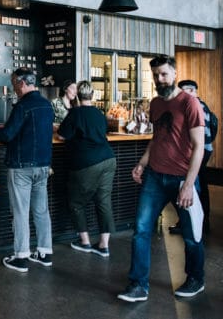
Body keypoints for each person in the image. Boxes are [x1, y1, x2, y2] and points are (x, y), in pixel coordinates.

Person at [117, 54, 205, 302]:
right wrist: (142, 164)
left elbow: (199, 146)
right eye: (156, 75)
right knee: (141, 230)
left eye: (164, 74)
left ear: (175, 73)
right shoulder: (155, 103)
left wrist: (188, 185)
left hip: (181, 179)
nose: (160, 78)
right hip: (155, 176)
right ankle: (138, 285)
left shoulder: (189, 103)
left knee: (191, 234)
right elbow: (158, 139)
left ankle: (196, 278)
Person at [0, 68, 54, 273]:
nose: (13, 88)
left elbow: (8, 135)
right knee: (41, 210)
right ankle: (45, 252)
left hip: (22, 166)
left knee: (20, 212)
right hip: (43, 165)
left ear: (21, 83)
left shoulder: (22, 106)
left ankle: (21, 257)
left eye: (14, 84)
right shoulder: (46, 105)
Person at [58, 80, 116, 258]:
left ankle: (85, 242)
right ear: (93, 95)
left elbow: (62, 135)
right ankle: (104, 245)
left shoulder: (75, 113)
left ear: (77, 95)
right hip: (108, 159)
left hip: (87, 162)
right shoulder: (99, 113)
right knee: (103, 201)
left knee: (76, 202)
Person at [169, 79, 215, 235]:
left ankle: (191, 223)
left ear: (189, 91)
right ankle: (200, 222)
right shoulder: (202, 105)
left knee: (192, 185)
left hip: (197, 151)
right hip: (205, 149)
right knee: (200, 182)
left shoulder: (195, 106)